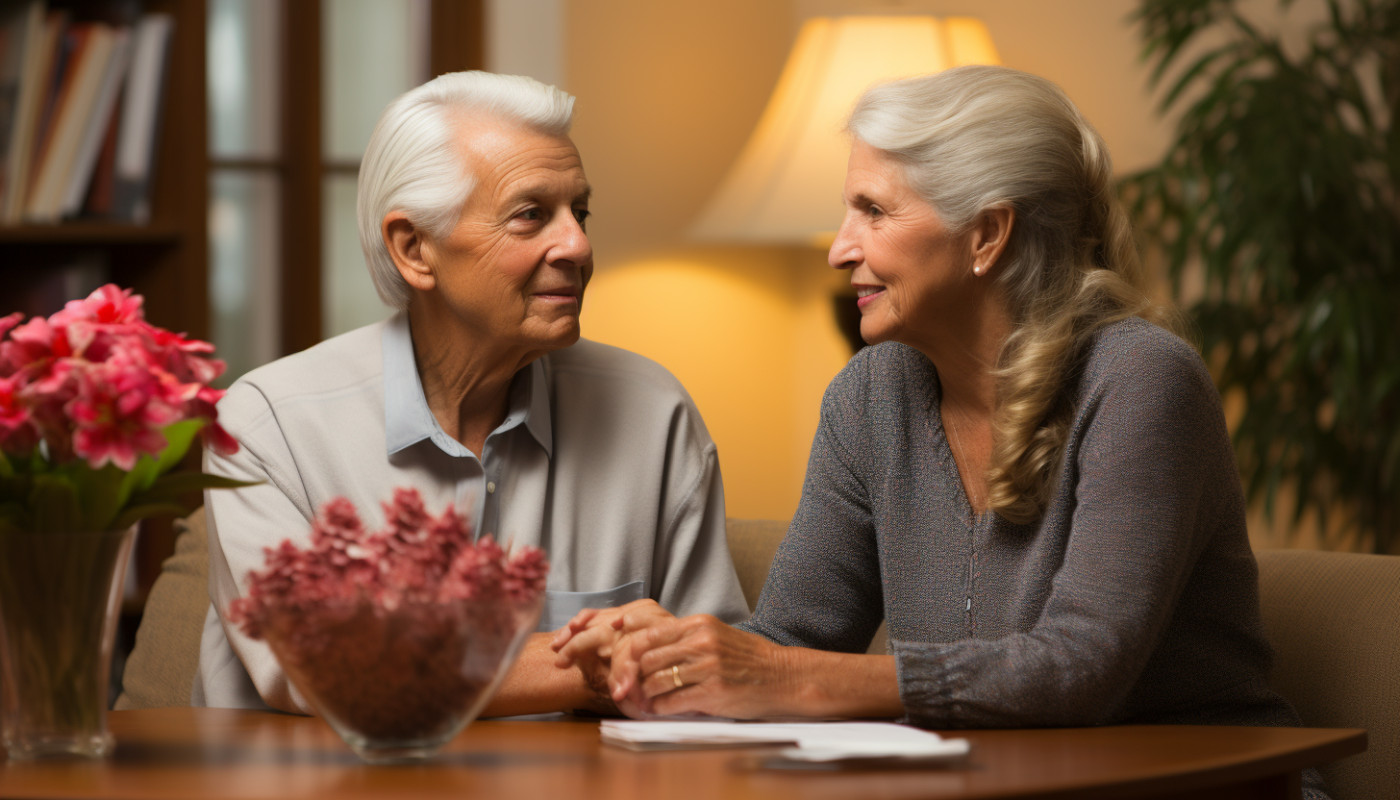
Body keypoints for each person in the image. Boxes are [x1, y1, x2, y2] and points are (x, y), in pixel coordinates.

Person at [554, 65, 1327, 796]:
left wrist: (779, 675)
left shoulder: (1140, 380)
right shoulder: (870, 395)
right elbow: (793, 642)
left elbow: (1083, 669)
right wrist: (664, 660)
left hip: (1206, 787)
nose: (838, 248)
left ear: (987, 234)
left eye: (873, 211)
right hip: (998, 790)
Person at [194, 71, 748, 716]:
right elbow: (325, 673)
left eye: (580, 212)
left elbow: (716, 674)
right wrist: (593, 663)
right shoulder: (267, 425)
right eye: (530, 215)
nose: (578, 245)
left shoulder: (655, 415)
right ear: (414, 250)